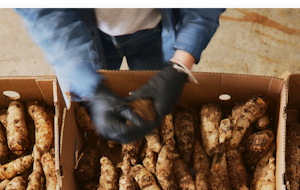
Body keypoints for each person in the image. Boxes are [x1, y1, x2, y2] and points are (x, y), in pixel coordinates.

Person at [14, 6, 225, 144]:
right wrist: (92, 89)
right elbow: (43, 11)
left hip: (160, 28)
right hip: (86, 33)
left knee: (157, 103)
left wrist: (180, 65)